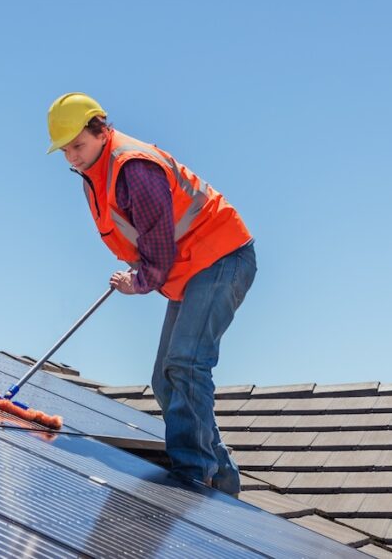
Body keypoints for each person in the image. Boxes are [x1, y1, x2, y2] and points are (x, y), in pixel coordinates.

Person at [46, 92, 257, 495]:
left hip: (221, 257)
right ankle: (222, 477)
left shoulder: (133, 168)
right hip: (193, 267)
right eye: (65, 149)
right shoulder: (98, 169)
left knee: (186, 364)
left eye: (78, 145)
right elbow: (148, 236)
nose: (72, 156)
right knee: (165, 379)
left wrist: (138, 281)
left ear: (101, 130)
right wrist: (141, 267)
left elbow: (159, 251)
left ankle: (194, 475)